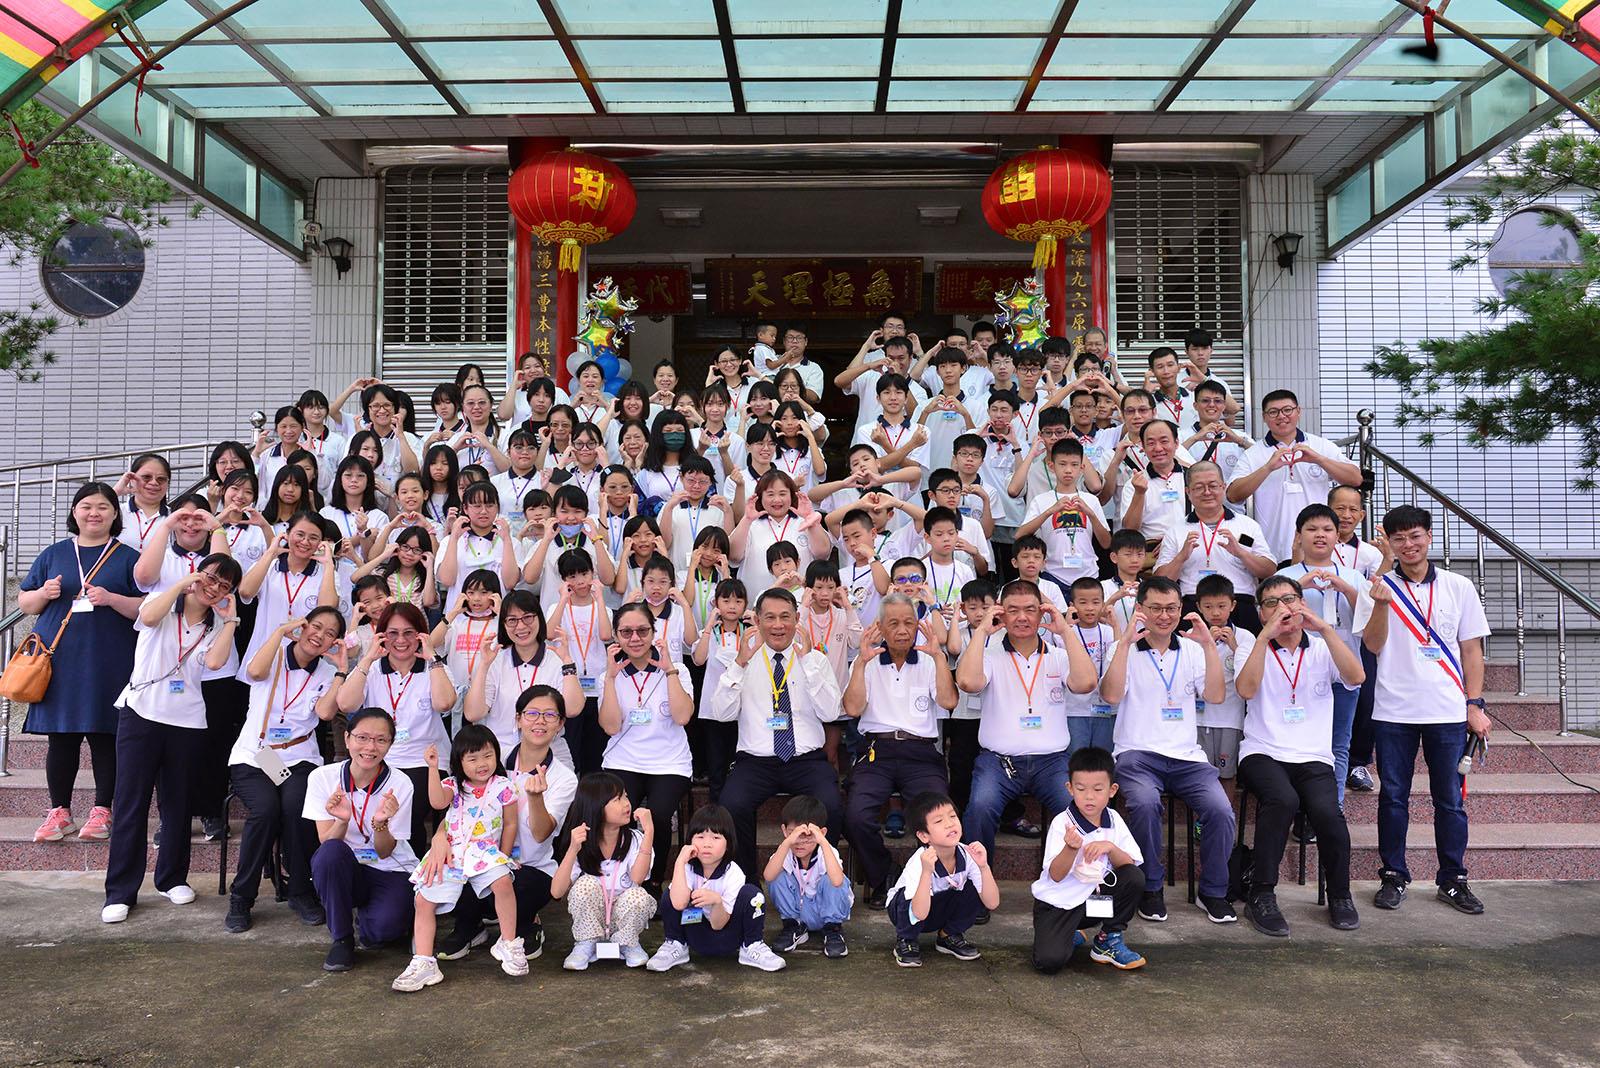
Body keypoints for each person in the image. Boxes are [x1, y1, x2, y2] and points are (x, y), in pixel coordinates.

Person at [1354, 505, 1490, 915]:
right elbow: (1372, 645)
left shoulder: (1458, 586)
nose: (1408, 545)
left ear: (1429, 537)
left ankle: (1453, 878)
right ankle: (1393, 875)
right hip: (1393, 711)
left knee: (1449, 800)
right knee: (1393, 797)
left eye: (1415, 536)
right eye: (1399, 538)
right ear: (1390, 544)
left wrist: (1474, 704)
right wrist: (1381, 604)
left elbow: (1471, 650)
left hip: (1447, 711)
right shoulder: (1377, 586)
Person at [102, 556, 242, 924]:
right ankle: (120, 892)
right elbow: (147, 618)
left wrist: (230, 621)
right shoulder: (161, 601)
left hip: (187, 721)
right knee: (130, 803)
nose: (214, 588)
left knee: (178, 803)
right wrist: (180, 585)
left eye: (224, 586)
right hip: (142, 713)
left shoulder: (216, 624)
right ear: (197, 574)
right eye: (211, 578)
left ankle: (172, 878)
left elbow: (215, 663)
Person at [1099, 576, 1237, 924]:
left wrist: (1209, 646)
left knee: (1221, 810)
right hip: (1137, 754)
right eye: (1156, 608)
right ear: (1140, 609)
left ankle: (1213, 891)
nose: (1164, 616)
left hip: (1187, 757)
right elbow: (1110, 696)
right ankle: (1150, 887)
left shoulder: (1192, 649)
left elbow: (1216, 696)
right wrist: (1124, 644)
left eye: (1172, 608)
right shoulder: (1122, 648)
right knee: (1145, 804)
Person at [1235, 575, 1366, 937]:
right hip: (1263, 750)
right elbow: (1246, 689)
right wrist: (1264, 637)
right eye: (1272, 603)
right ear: (1261, 613)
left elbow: (1356, 676)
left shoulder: (1322, 647)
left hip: (1313, 755)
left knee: (1327, 811)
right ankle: (1262, 894)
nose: (1283, 609)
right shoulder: (1253, 646)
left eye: (1289, 600)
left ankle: (1340, 895)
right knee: (1282, 799)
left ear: (1302, 604)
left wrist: (1324, 627)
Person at [954, 580, 1097, 890]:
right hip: (999, 762)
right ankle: (977, 887)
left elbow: (1086, 683)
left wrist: (1065, 631)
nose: (1022, 617)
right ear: (1001, 614)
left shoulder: (1058, 655)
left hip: (1052, 762)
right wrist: (981, 631)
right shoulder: (989, 654)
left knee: (1077, 810)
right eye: (1013, 610)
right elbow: (967, 682)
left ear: (1041, 613)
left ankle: (1073, 888)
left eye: (1030, 610)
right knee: (980, 807)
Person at [19, 482, 141, 844]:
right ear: (74, 512)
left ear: (115, 514)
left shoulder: (128, 557)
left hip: (110, 658)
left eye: (103, 507)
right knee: (61, 737)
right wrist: (43, 593)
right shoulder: (54, 553)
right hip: (60, 660)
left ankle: (102, 810)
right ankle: (59, 812)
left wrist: (112, 598)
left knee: (106, 735)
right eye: (86, 506)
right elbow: (26, 602)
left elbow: (146, 608)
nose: (94, 513)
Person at [707, 588, 846, 883]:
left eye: (785, 617)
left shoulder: (815, 660)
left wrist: (807, 663)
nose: (778, 625)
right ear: (757, 621)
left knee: (831, 805)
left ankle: (818, 880)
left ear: (797, 619)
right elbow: (721, 714)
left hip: (806, 759)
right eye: (769, 618)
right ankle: (746, 884)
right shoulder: (742, 660)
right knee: (731, 805)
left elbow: (830, 712)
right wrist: (739, 665)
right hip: (755, 761)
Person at [224, 606, 345, 933]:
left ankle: (300, 891)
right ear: (302, 626)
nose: (319, 636)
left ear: (334, 642)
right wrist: (279, 631)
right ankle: (241, 896)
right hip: (257, 754)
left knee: (297, 807)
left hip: (299, 756)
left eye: (330, 634)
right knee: (265, 810)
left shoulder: (326, 672)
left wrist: (341, 671)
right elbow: (254, 671)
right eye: (315, 627)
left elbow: (325, 713)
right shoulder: (274, 653)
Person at [439, 683, 577, 962]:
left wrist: (535, 798)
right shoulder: (491, 759)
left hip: (529, 866)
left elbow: (541, 834)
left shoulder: (564, 778)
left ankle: (526, 926)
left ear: (560, 724)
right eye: (532, 713)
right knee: (448, 876)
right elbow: (458, 809)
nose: (540, 721)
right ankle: (469, 926)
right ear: (518, 719)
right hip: (479, 858)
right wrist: (438, 839)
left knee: (519, 887)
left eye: (550, 715)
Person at [842, 594, 958, 906]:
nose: (902, 630)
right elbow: (852, 708)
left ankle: (927, 879)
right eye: (893, 624)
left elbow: (949, 701)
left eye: (909, 622)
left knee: (938, 816)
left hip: (921, 754)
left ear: (918, 625)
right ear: (880, 627)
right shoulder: (867, 660)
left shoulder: (929, 659)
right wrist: (860, 663)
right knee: (855, 816)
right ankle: (884, 876)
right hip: (876, 752)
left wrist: (940, 658)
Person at [392, 725, 525, 992]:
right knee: (424, 900)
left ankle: (508, 942)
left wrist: (505, 855)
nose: (482, 764)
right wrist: (432, 768)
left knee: (503, 882)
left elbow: (511, 824)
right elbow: (437, 803)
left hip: (485, 851)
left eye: (488, 756)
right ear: (459, 762)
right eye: (472, 758)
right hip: (451, 853)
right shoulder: (452, 785)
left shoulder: (504, 786)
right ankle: (424, 962)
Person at [335, 602, 456, 856]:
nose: (401, 640)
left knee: (406, 809)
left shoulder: (435, 668)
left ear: (420, 635)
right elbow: (345, 703)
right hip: (377, 757)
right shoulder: (372, 669)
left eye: (409, 633)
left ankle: (408, 868)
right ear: (382, 635)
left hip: (425, 760)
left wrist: (432, 657)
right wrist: (368, 657)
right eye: (393, 633)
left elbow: (445, 703)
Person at [305, 708, 418, 972]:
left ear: (390, 744)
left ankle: (371, 919)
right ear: (347, 739)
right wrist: (342, 820)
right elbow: (326, 842)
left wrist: (381, 823)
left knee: (382, 932)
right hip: (345, 865)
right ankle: (342, 938)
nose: (370, 747)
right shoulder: (322, 777)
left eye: (381, 740)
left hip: (387, 867)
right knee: (329, 855)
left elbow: (385, 851)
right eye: (362, 738)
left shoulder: (400, 784)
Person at [599, 602, 697, 891]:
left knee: (659, 815)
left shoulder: (677, 669)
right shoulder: (611, 673)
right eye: (626, 632)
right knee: (616, 814)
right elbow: (610, 727)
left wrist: (669, 672)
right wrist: (610, 679)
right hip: (623, 759)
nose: (635, 638)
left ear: (654, 633)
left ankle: (653, 881)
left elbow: (682, 717)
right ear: (616, 636)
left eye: (642, 631)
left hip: (669, 762)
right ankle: (620, 879)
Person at [1276, 503, 1367, 802]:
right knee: (1296, 744)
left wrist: (1346, 588)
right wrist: (1298, 586)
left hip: (1343, 670)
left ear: (1337, 536)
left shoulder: (1354, 576)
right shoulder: (1285, 575)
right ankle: (1300, 808)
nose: (1320, 535)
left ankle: (1333, 808)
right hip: (1296, 672)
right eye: (1312, 529)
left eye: (1327, 529)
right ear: (1298, 535)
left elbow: (1368, 623)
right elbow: (1271, 617)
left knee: (1338, 744)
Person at [1030, 746, 1147, 974]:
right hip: (1059, 905)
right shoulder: (1062, 822)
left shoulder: (1113, 819)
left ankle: (1107, 940)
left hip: (1094, 901)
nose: (1089, 796)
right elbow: (1055, 875)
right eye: (1081, 789)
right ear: (1070, 788)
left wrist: (1110, 848)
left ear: (1112, 790)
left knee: (1134, 877)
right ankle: (1068, 933)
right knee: (1049, 962)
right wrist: (1070, 848)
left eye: (1098, 789)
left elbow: (1130, 863)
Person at [646, 803, 788, 972]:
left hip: (727, 937)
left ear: (728, 844)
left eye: (715, 838)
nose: (707, 844)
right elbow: (677, 903)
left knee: (753, 894)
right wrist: (680, 861)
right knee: (671, 892)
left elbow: (718, 925)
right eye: (700, 837)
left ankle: (752, 946)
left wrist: (717, 902)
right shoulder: (687, 868)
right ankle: (675, 944)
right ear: (690, 841)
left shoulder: (733, 872)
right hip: (695, 932)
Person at [1226, 389, 1362, 563]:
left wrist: (1319, 459)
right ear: (1264, 417)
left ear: (1298, 411)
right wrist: (1267, 468)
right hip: (1273, 551)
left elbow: (1355, 479)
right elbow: (1233, 495)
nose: (1281, 416)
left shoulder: (1320, 445)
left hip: (1319, 550)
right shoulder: (1253, 453)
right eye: (1273, 412)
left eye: (1287, 410)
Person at [462, 590, 584, 766]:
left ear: (539, 618)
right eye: (512, 620)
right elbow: (473, 713)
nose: (520, 627)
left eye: (527, 617)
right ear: (503, 625)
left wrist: (567, 662)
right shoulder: (494, 660)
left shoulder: (558, 658)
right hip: (502, 751)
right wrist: (483, 666)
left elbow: (572, 710)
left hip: (550, 751)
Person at [551, 772, 657, 970]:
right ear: (596, 806)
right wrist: (573, 849)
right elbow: (556, 891)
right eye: (617, 799)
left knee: (638, 895)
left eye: (625, 796)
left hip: (623, 919)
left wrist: (649, 832)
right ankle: (586, 943)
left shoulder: (635, 839)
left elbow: (638, 878)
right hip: (592, 921)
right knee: (585, 884)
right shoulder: (581, 841)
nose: (626, 804)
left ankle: (627, 943)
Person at [1154, 461, 1276, 630]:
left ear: (1223, 487)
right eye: (1199, 487)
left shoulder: (1248, 525)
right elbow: (1160, 581)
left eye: (1213, 486)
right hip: (1194, 607)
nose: (1207, 492)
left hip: (1239, 605)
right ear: (1188, 492)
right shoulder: (1176, 530)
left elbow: (1269, 570)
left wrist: (1241, 553)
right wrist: (1181, 557)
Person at [886, 790, 1001, 967]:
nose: (949, 824)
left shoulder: (968, 854)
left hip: (940, 909)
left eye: (953, 816)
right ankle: (906, 939)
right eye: (939, 821)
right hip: (910, 912)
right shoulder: (920, 861)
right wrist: (926, 873)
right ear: (924, 836)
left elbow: (992, 903)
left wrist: (984, 867)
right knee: (907, 896)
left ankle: (948, 935)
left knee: (975, 887)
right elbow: (919, 913)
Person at [764, 794, 853, 958]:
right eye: (794, 833)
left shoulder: (826, 851)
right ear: (784, 831)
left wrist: (823, 841)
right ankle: (793, 927)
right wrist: (787, 842)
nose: (800, 842)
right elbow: (768, 876)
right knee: (777, 875)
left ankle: (833, 930)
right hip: (799, 912)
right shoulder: (786, 851)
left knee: (833, 879)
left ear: (822, 833)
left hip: (824, 910)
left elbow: (837, 881)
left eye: (808, 836)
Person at [1192, 574, 1256, 781]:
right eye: (1208, 606)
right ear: (1198, 607)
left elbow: (1252, 674)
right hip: (1197, 717)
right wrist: (1206, 645)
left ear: (1233, 605)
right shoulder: (1192, 637)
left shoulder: (1245, 637)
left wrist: (1236, 648)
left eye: (1221, 606)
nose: (1215, 612)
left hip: (1230, 717)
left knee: (1227, 775)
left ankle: (1226, 805)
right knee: (1198, 776)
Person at [1065, 578, 1120, 757]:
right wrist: (1066, 627)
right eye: (1083, 602)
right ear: (1072, 606)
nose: (1090, 608)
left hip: (1105, 708)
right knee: (1075, 759)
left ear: (1103, 604)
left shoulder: (1109, 632)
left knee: (1103, 760)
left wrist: (1116, 625)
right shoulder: (1066, 634)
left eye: (1096, 602)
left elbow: (1120, 657)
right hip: (1075, 709)